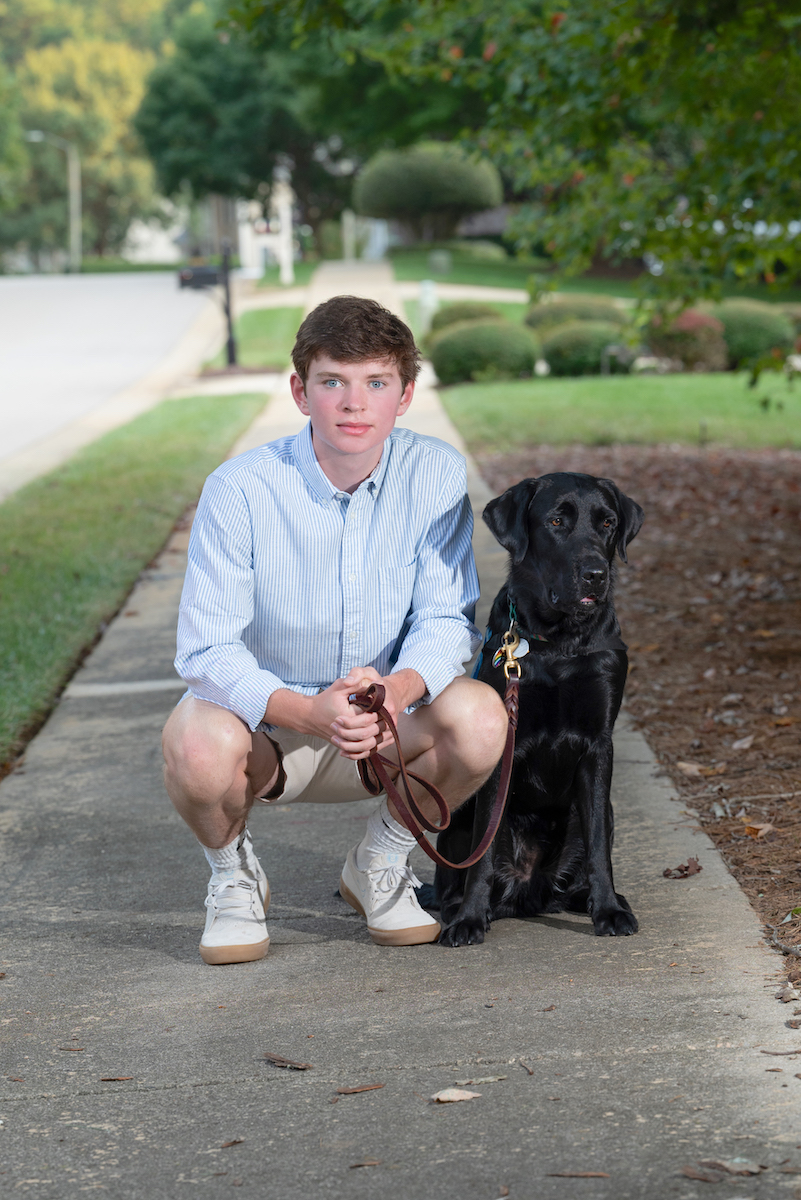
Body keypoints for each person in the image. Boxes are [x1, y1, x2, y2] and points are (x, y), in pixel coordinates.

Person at [162, 295, 508, 964]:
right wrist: (306, 712)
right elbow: (206, 649)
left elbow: (444, 619)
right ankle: (232, 875)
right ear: (300, 391)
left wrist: (400, 690)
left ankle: (378, 862)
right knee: (194, 745)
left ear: (404, 394)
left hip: (387, 727)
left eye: (376, 382)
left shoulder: (433, 474)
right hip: (269, 728)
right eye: (333, 382)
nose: (355, 403)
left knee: (481, 716)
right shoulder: (239, 489)